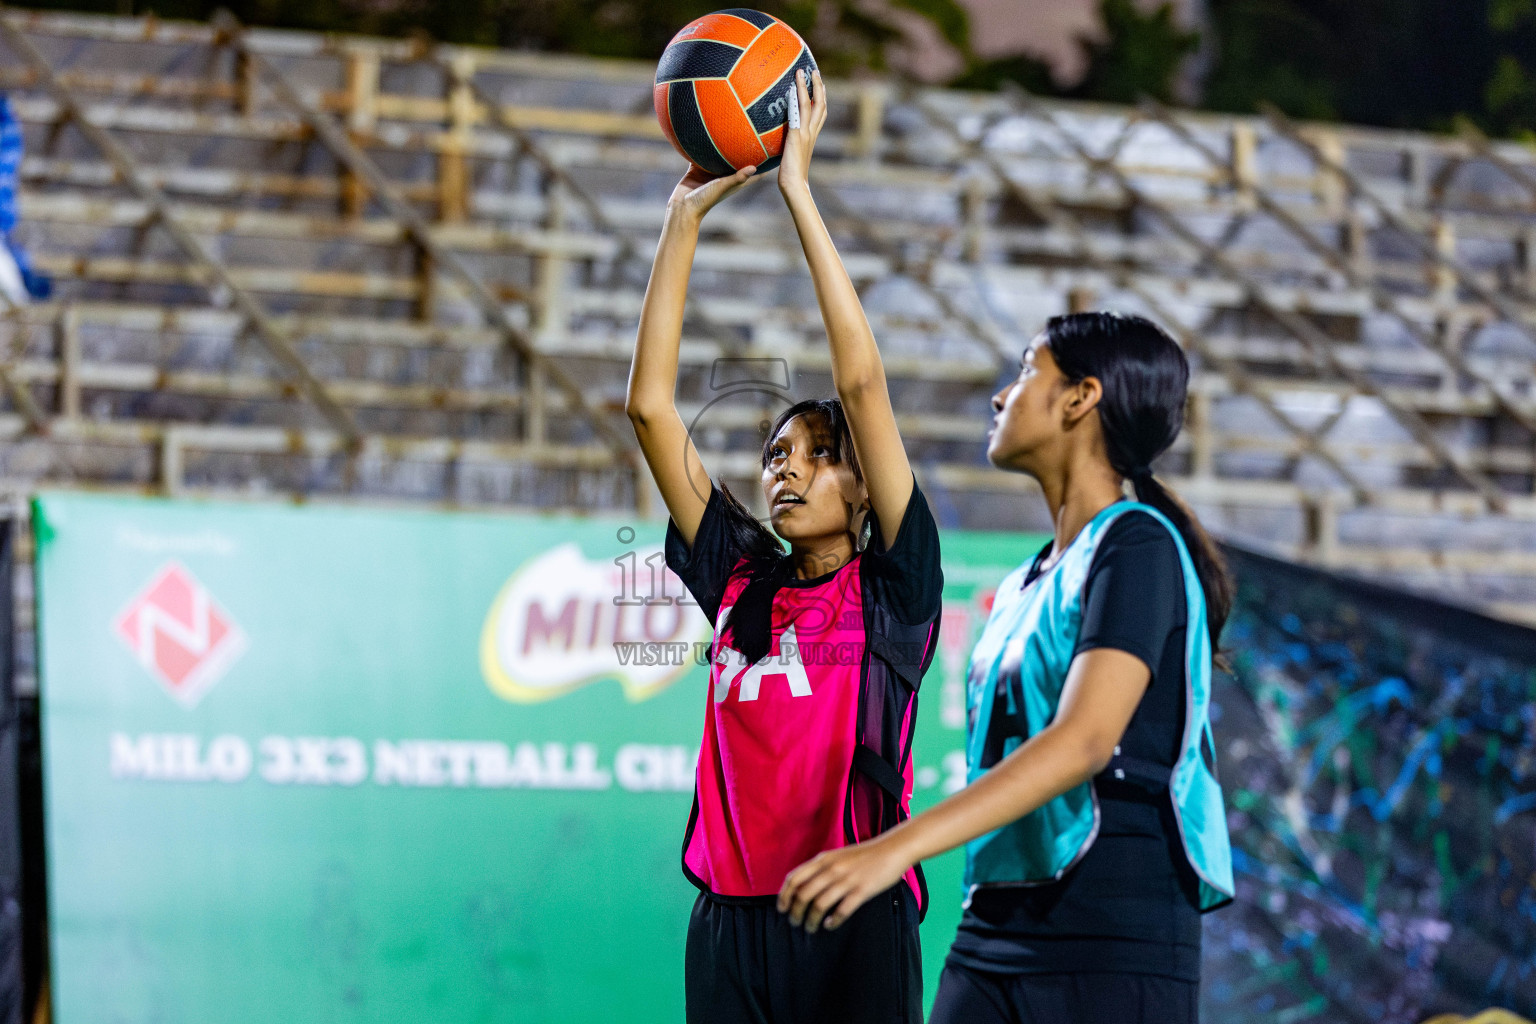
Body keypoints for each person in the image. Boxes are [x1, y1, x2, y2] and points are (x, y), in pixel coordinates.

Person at [777, 311, 1236, 1023]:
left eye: (1027, 371)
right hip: (996, 918)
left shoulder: (1136, 546)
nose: (1001, 396)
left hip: (1112, 931)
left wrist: (893, 849)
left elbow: (1085, 740)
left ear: (1081, 398)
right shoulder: (1027, 580)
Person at [624, 69, 943, 1024]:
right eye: (774, 454)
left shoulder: (894, 593)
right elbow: (648, 408)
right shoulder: (737, 576)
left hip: (855, 909)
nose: (786, 471)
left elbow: (863, 383)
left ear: (862, 490)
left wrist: (797, 189)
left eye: (817, 455)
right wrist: (683, 217)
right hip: (728, 922)